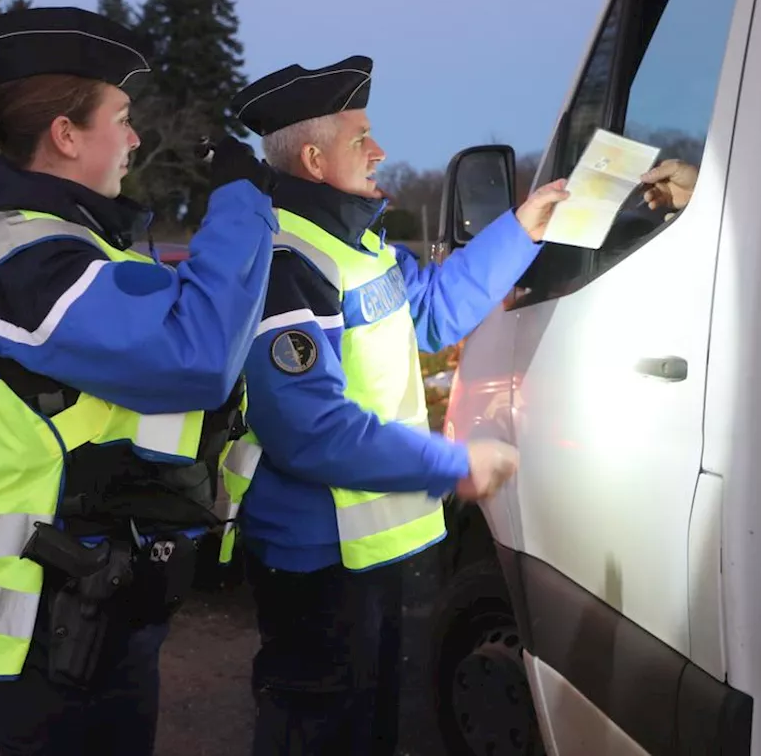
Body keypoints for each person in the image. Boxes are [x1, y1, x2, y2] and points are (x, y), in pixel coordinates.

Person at [0, 6, 277, 756]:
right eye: (121, 117)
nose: (135, 137)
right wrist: (244, 205)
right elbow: (198, 355)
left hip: (98, 611)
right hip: (49, 639)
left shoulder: (74, 249)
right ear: (65, 133)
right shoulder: (22, 261)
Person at [216, 55, 568, 756]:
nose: (379, 150)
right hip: (318, 563)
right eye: (360, 137)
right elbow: (310, 428)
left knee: (372, 730)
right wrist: (451, 463)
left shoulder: (362, 247)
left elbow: (433, 311)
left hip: (379, 551)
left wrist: (524, 225)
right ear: (314, 158)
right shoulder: (287, 263)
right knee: (314, 732)